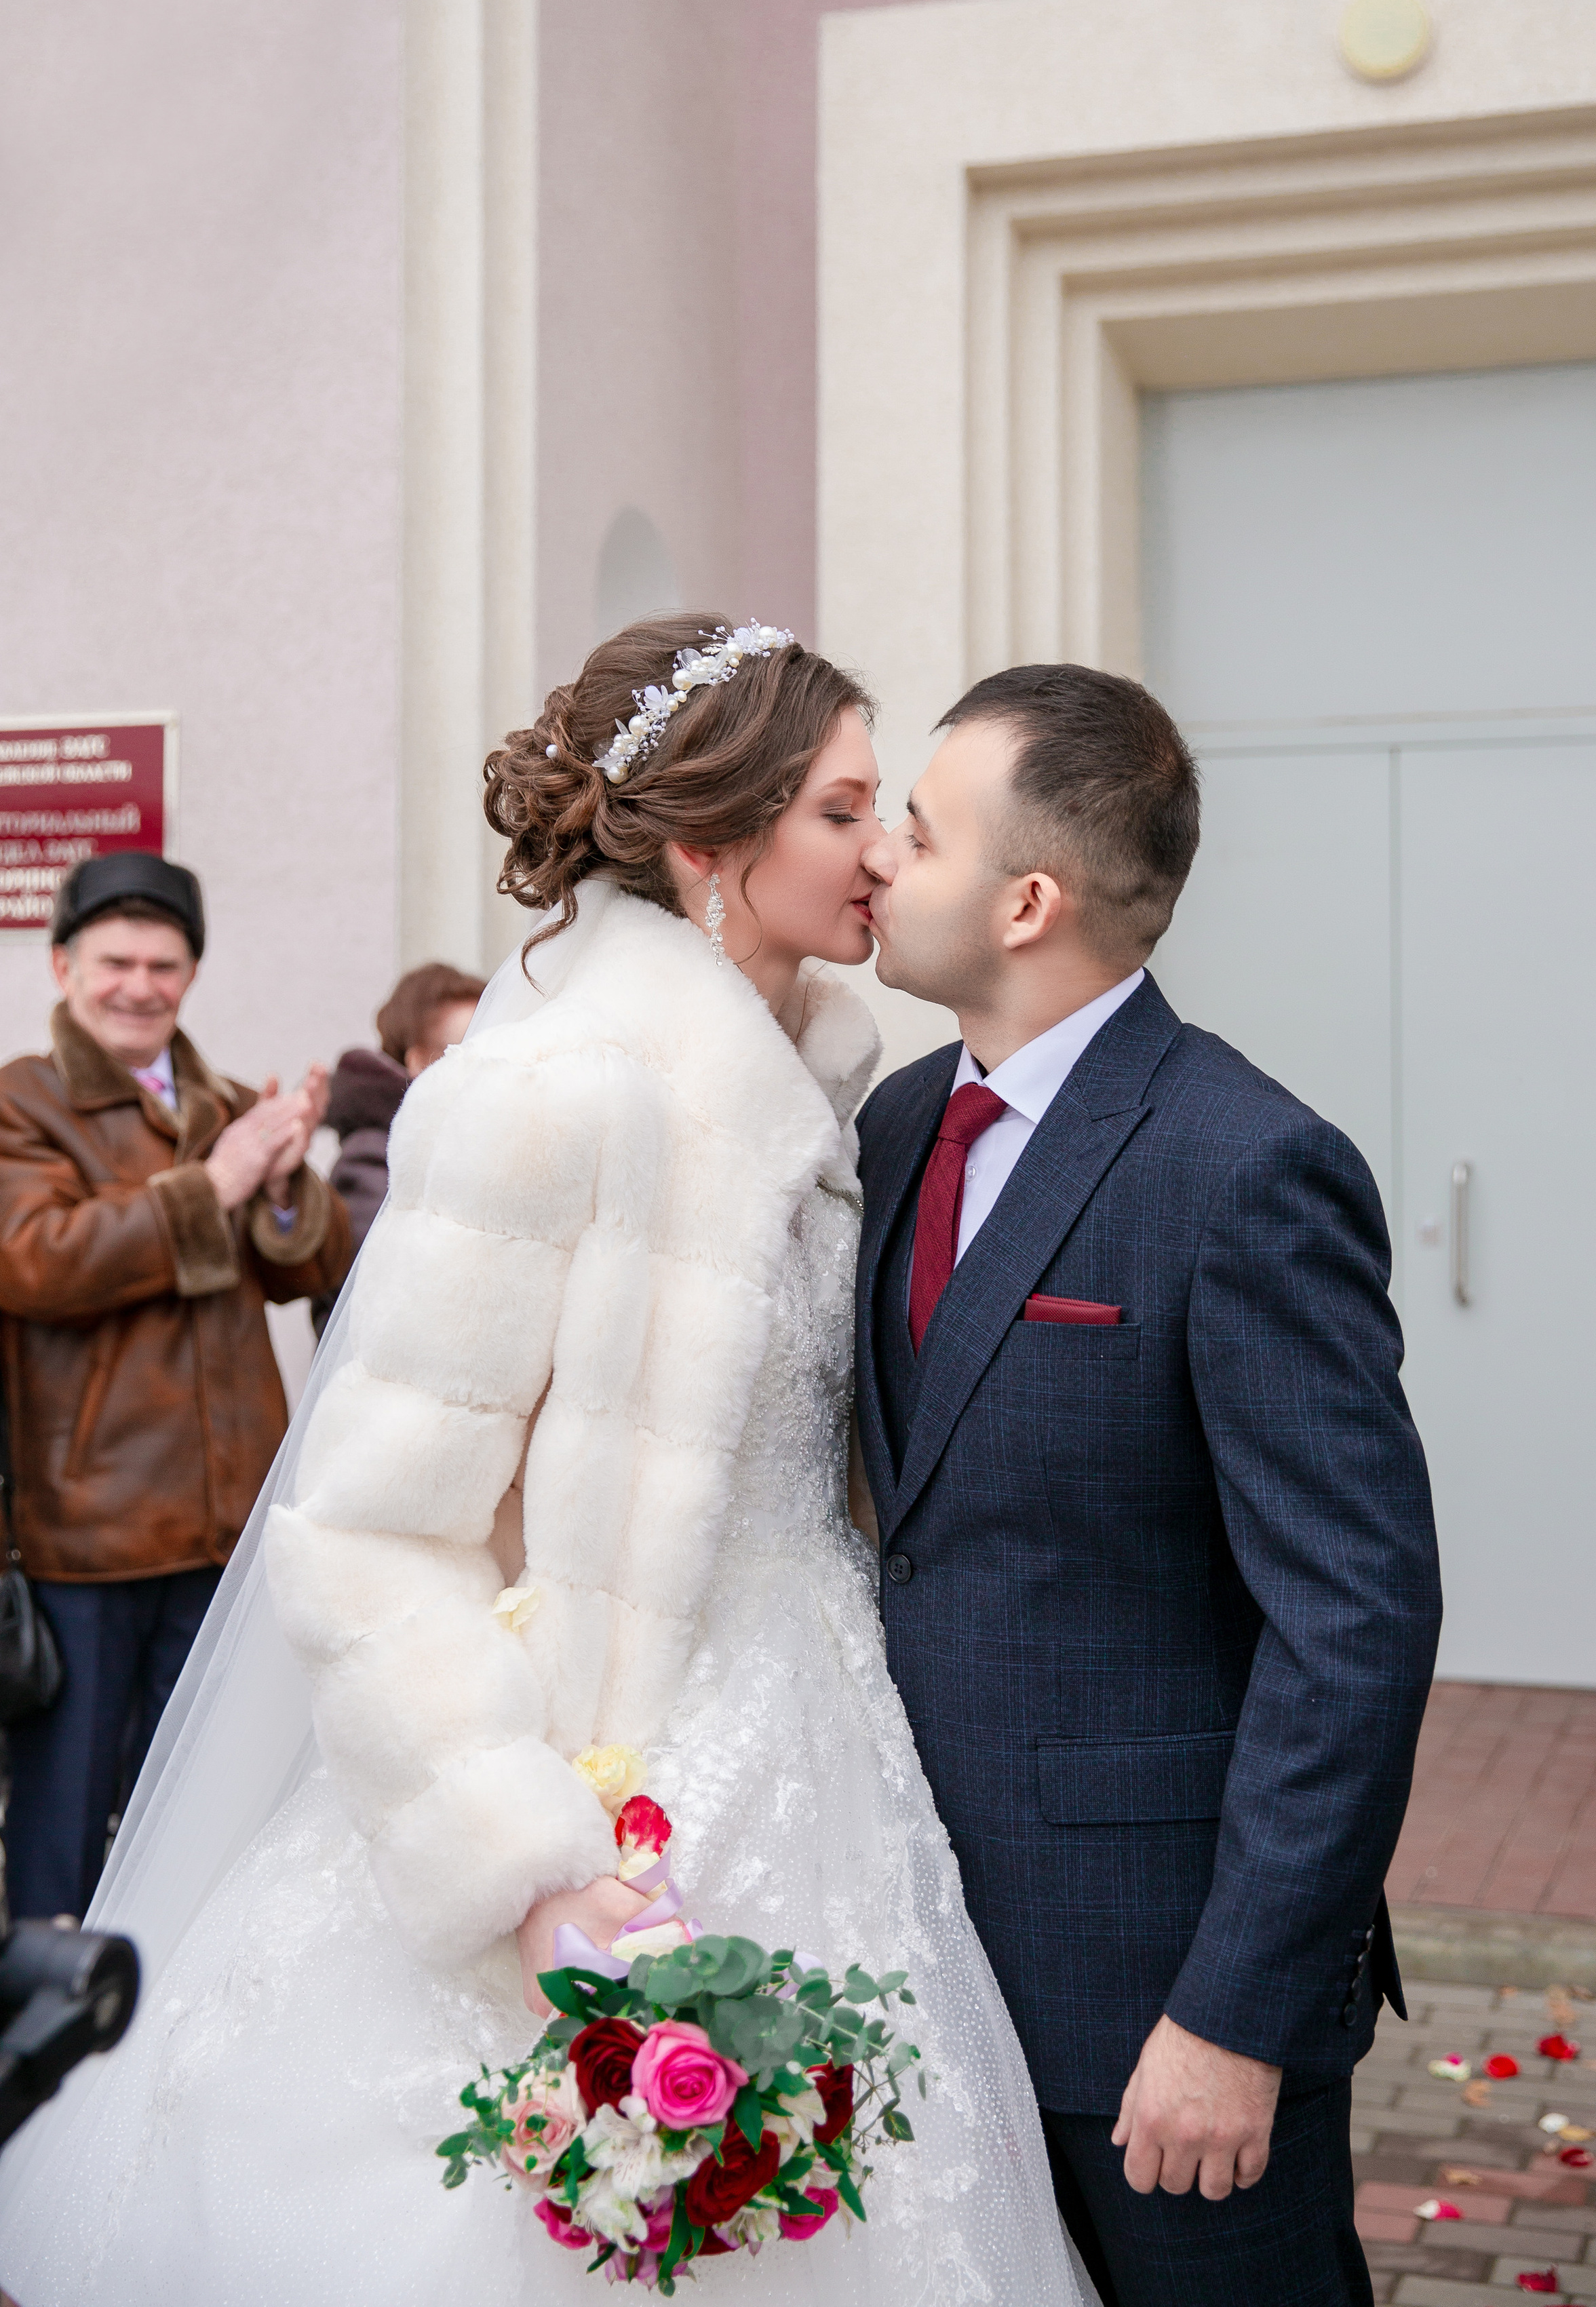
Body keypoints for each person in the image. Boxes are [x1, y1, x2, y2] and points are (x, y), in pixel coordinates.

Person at [0, 623, 1090, 2306]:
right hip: (588, 1780)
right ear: (705, 841)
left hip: (832, 1743)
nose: (883, 851)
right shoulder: (547, 1093)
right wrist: (526, 1867)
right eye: (841, 809)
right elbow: (366, 1534)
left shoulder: (840, 1110)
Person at [853, 664, 1443, 2307]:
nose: (881, 860)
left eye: (913, 826)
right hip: (930, 1960)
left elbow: (1354, 1623)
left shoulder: (1242, 1163)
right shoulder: (901, 1123)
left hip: (1157, 1993)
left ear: (1023, 897)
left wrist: (1232, 2014)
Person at [0, 852, 349, 1922]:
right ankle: (49, 2052)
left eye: (164, 962)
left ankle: (167, 2037)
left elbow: (316, 1269)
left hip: (227, 1530)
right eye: (115, 961)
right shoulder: (24, 1101)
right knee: (66, 1825)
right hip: (88, 1535)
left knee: (204, 1818)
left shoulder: (230, 1103)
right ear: (63, 966)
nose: (139, 984)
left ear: (190, 975)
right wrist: (218, 1184)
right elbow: (38, 1260)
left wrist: (286, 1181)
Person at [311, 962, 484, 1333]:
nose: (489, 1073)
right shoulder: (374, 1157)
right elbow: (398, 1291)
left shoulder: (466, 1145)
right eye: (468, 1054)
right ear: (417, 1061)